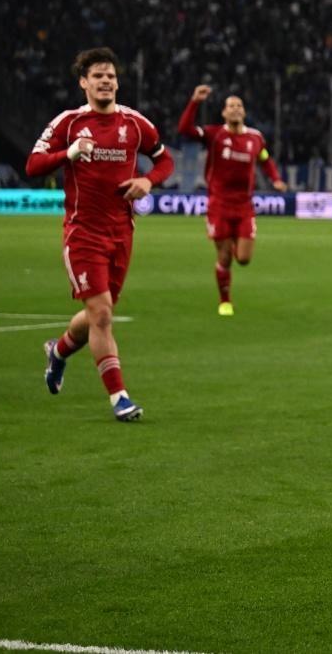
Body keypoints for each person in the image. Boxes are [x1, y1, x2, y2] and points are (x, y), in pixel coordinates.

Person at [26, 47, 174, 421]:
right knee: (102, 314)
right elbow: (33, 165)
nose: (105, 81)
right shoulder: (69, 123)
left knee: (97, 314)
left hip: (122, 232)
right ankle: (119, 398)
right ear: (84, 83)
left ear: (117, 83)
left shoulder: (135, 123)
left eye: (110, 76)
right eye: (97, 76)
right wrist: (68, 154)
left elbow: (164, 160)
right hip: (83, 234)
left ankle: (58, 351)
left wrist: (148, 180)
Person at [178, 85, 287, 315]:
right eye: (231, 106)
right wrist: (195, 101)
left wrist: (276, 179)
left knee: (244, 259)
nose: (235, 109)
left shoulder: (255, 138)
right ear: (224, 113)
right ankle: (225, 301)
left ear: (244, 112)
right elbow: (184, 129)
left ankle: (236, 241)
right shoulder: (214, 134)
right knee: (225, 257)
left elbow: (265, 159)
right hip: (219, 205)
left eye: (239, 106)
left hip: (244, 207)